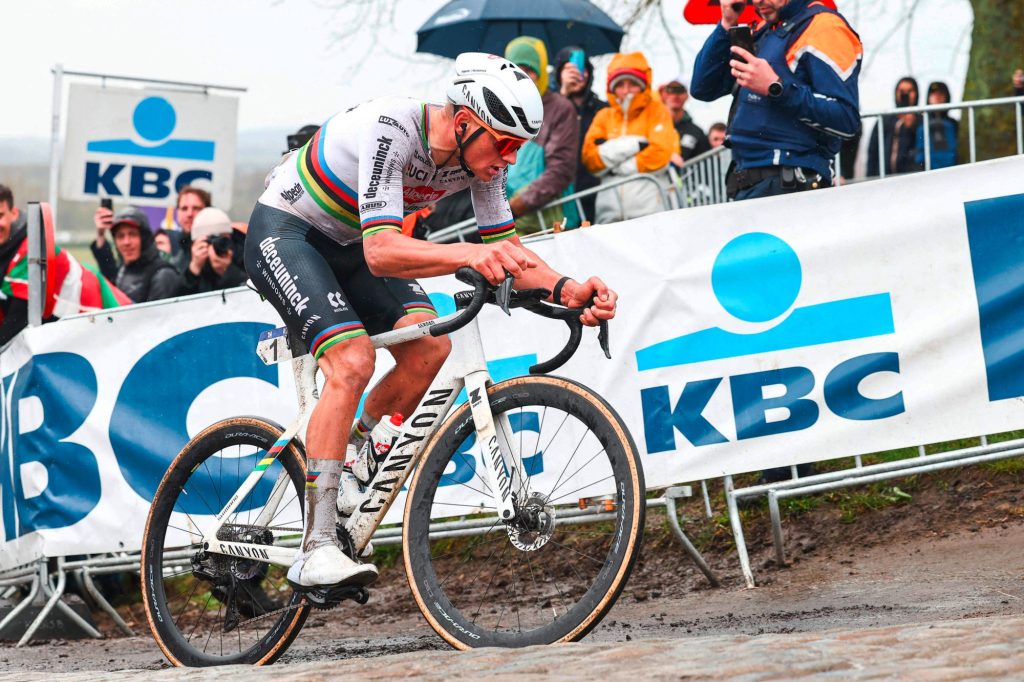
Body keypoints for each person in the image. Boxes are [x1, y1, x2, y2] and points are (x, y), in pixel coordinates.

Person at [248, 52, 617, 592]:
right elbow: (381, 252)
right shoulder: (393, 129)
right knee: (352, 361)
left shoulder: (480, 162)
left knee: (429, 348)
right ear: (464, 122)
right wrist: (467, 256)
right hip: (288, 233)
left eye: (520, 147)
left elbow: (508, 250)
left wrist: (567, 287)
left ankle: (349, 456)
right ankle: (317, 546)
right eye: (505, 143)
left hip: (347, 243)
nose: (510, 160)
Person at [690, 0, 863, 200]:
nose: (756, 2)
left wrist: (776, 88)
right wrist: (727, 24)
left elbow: (846, 120)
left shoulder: (825, 27)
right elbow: (702, 88)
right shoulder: (764, 30)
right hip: (746, 182)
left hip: (791, 185)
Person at [2, 184, 129, 345]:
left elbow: (17, 321)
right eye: (121, 236)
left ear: (14, 213)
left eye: (0, 215)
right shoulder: (11, 246)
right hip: (70, 321)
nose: (126, 242)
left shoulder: (30, 250)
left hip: (96, 314)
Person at [581, 51, 680, 223]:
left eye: (632, 84)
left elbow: (661, 153)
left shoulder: (656, 111)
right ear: (612, 88)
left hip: (650, 213)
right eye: (620, 85)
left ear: (643, 85)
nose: (626, 91)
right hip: (608, 213)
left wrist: (616, 164)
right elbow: (590, 158)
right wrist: (632, 145)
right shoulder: (604, 116)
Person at [503, 37, 579, 234]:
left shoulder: (560, 109)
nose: (522, 78)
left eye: (529, 71)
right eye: (515, 72)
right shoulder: (503, 111)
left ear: (541, 73)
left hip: (552, 222)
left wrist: (514, 207)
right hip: (510, 225)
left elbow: (560, 171)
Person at [553, 45, 609, 222]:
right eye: (569, 69)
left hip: (596, 196)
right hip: (559, 198)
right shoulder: (548, 107)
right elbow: (542, 135)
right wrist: (563, 93)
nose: (578, 74)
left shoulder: (604, 110)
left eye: (582, 69)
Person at [92, 207, 179, 303]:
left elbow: (159, 317)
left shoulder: (163, 274)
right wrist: (100, 235)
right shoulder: (123, 269)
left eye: (132, 234)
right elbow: (109, 279)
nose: (126, 242)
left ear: (144, 238)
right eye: (120, 236)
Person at [177, 207, 247, 295]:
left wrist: (228, 271)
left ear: (230, 236)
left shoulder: (245, 255)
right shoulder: (185, 258)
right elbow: (176, 301)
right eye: (210, 240)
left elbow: (254, 293)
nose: (216, 244)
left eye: (222, 238)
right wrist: (194, 269)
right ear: (195, 242)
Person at [866, 77, 921, 177]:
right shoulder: (884, 119)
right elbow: (872, 152)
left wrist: (913, 127)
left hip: (912, 179)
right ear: (896, 93)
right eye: (901, 91)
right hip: (884, 179)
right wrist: (870, 178)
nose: (905, 94)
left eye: (910, 91)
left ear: (916, 94)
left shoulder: (922, 119)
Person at [659, 77, 711, 165]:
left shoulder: (696, 132)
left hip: (689, 177)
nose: (675, 96)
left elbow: (706, 165)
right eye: (670, 91)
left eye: (680, 91)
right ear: (663, 96)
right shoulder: (652, 127)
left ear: (686, 96)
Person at [915, 81, 958, 170]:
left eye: (941, 93)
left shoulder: (953, 124)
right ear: (928, 97)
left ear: (947, 97)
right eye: (933, 93)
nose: (937, 97)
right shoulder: (920, 122)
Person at [169, 186, 212, 272]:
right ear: (177, 213)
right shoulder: (172, 246)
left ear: (208, 211)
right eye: (184, 208)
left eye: (196, 208)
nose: (189, 214)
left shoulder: (220, 245)